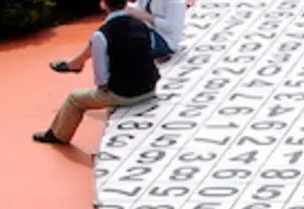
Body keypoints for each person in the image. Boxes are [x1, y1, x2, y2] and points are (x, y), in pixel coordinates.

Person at [33, 0, 161, 147]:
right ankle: (75, 64)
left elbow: (101, 76)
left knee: (74, 99)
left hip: (125, 95)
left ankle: (59, 135)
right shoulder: (141, 25)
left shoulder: (102, 35)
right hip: (150, 89)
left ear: (103, 5)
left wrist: (105, 90)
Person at [52, 0, 188, 66]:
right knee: (114, 26)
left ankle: (80, 62)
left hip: (165, 41)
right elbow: (138, 9)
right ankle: (80, 60)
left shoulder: (174, 1)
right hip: (146, 29)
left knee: (116, 40)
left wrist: (143, 15)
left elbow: (171, 27)